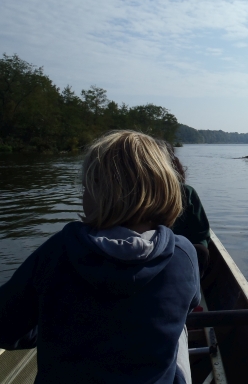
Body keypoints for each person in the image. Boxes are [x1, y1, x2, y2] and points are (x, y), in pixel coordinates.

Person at [0, 130, 200, 384]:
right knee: (179, 332)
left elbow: (5, 328)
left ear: (96, 195)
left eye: (86, 187)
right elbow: (190, 303)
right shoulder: (183, 254)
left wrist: (52, 327)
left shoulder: (59, 249)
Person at [165, 143, 211, 277]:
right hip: (182, 259)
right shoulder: (186, 191)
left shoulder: (186, 192)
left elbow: (201, 236)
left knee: (201, 251)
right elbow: (201, 235)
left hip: (182, 257)